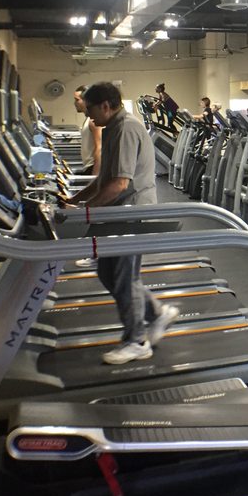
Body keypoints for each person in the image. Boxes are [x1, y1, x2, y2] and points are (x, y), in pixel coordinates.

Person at [66, 82, 178, 365]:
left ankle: (136, 341)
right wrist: (73, 201)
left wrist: (86, 212)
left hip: (131, 214)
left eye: (90, 109)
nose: (87, 115)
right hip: (117, 213)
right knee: (107, 272)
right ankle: (156, 313)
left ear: (105, 106)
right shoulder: (112, 128)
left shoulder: (126, 129)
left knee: (126, 278)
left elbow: (119, 185)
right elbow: (104, 180)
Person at [73, 85, 102, 175]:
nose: (75, 103)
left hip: (93, 167)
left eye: (77, 100)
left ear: (86, 101)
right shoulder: (88, 119)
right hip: (88, 167)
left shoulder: (93, 121)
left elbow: (99, 148)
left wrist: (95, 176)